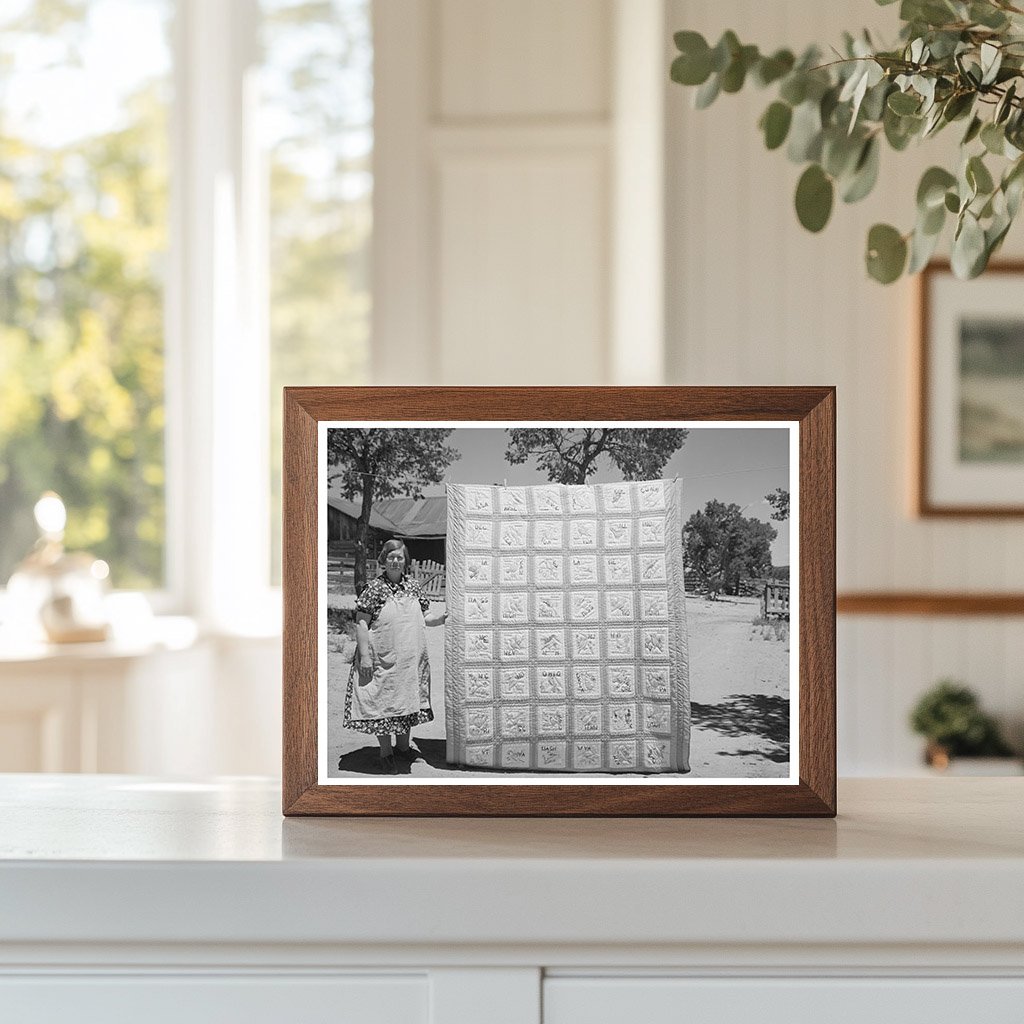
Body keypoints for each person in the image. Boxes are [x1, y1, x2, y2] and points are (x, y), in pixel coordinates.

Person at [343, 538, 446, 774]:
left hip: (409, 659)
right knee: (382, 701)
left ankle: (402, 748)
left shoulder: (413, 586)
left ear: (405, 561)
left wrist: (441, 619)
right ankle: (385, 753)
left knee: (406, 699)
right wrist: (365, 657)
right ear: (383, 560)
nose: (395, 561)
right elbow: (361, 623)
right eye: (391, 557)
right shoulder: (374, 588)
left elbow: (426, 616)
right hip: (381, 658)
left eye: (399, 557)